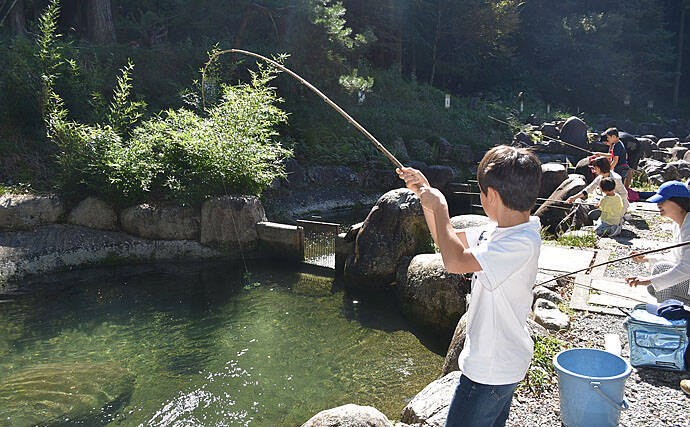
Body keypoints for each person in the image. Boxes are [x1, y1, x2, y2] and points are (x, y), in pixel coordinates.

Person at [397, 145, 542, 427]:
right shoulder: (500, 229)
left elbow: (454, 262)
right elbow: (445, 239)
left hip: (490, 371)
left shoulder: (521, 242)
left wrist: (441, 206)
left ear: (492, 196)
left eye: (481, 191)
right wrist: (425, 193)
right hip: (498, 365)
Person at [626, 181, 690, 306]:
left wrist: (649, 280)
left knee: (659, 272)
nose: (658, 204)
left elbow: (687, 267)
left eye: (663, 201)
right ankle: (671, 312)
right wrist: (647, 258)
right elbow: (675, 257)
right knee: (654, 286)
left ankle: (668, 316)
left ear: (679, 203)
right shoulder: (678, 224)